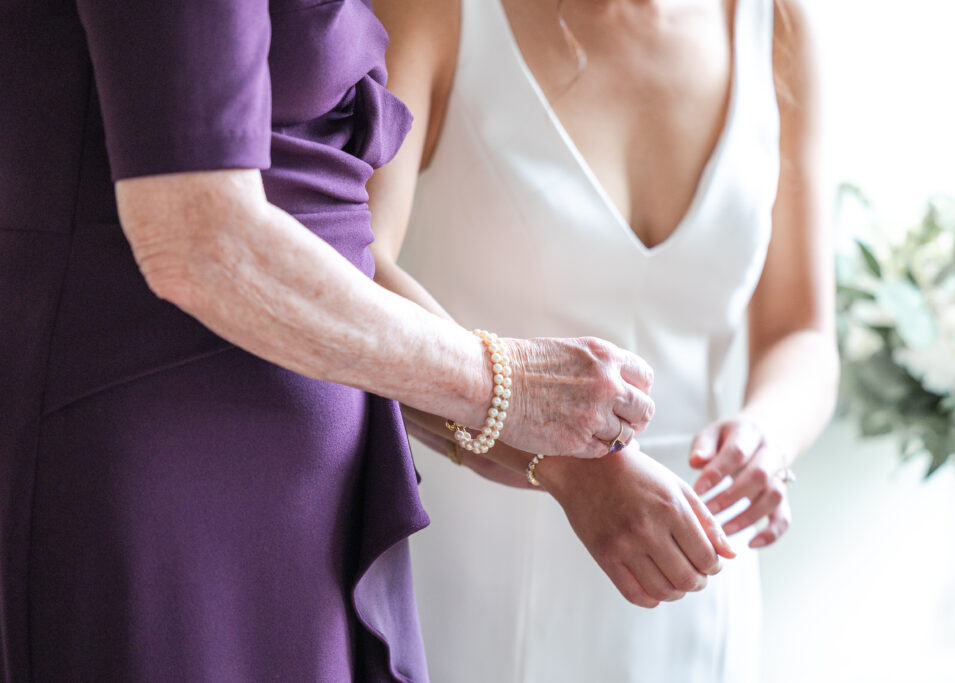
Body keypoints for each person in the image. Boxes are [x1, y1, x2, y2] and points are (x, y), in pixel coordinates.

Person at [0, 1, 714, 680]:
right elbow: (199, 236)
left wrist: (553, 455)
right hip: (169, 498)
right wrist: (503, 384)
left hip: (296, 502)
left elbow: (334, 243)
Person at [367, 0, 839, 680]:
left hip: (698, 571)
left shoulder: (779, 24)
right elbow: (355, 274)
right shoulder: (438, 11)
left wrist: (770, 433)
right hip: (473, 555)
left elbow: (802, 330)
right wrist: (565, 462)